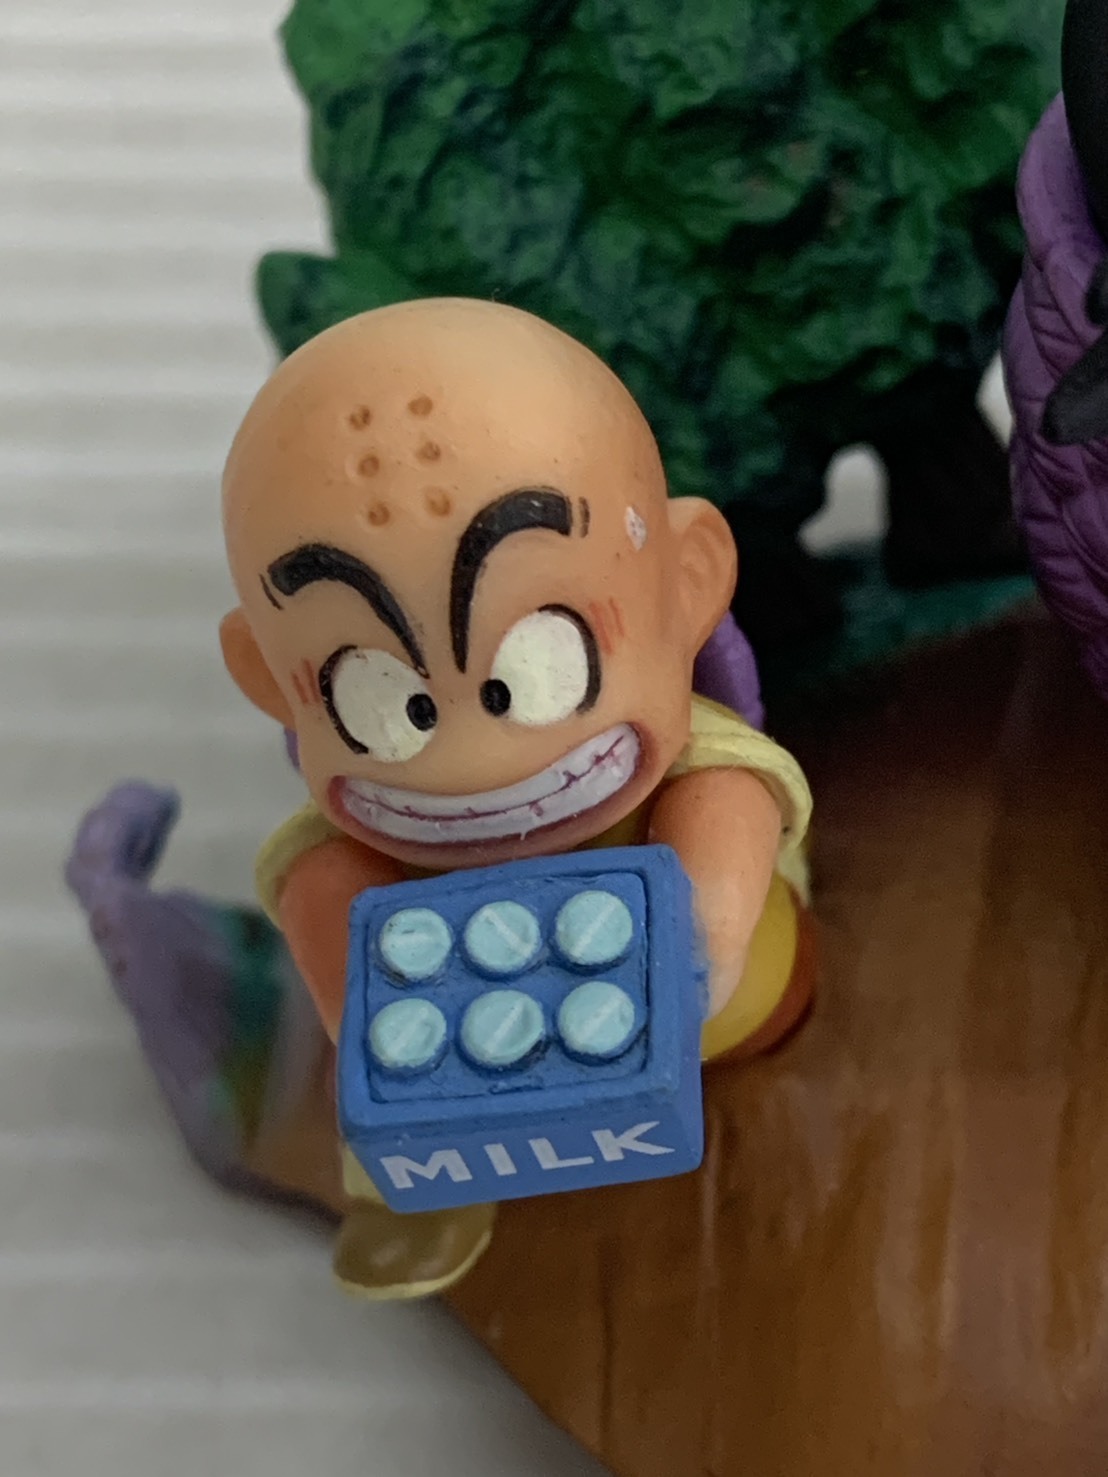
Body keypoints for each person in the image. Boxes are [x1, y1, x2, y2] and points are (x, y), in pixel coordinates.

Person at [219, 298, 814, 1298]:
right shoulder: (348, 840)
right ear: (272, 682)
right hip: (471, 1072)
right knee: (373, 1072)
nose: (471, 764)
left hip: (717, 1013)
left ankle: (774, 1081)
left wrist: (701, 939)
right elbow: (327, 921)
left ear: (685, 582)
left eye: (542, 665)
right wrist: (369, 1014)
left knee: (765, 1001)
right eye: (380, 700)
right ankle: (422, 1196)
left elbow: (736, 809)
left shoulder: (694, 760)